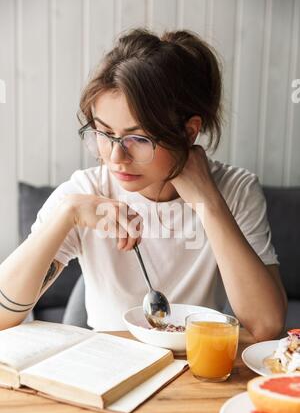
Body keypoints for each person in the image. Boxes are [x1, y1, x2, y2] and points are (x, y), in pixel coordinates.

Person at [0, 28, 287, 339]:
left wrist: (210, 203)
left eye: (137, 138)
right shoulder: (87, 192)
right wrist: (66, 213)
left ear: (189, 132)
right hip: (107, 369)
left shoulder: (236, 190)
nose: (116, 157)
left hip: (194, 372)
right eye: (104, 133)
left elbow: (267, 325)